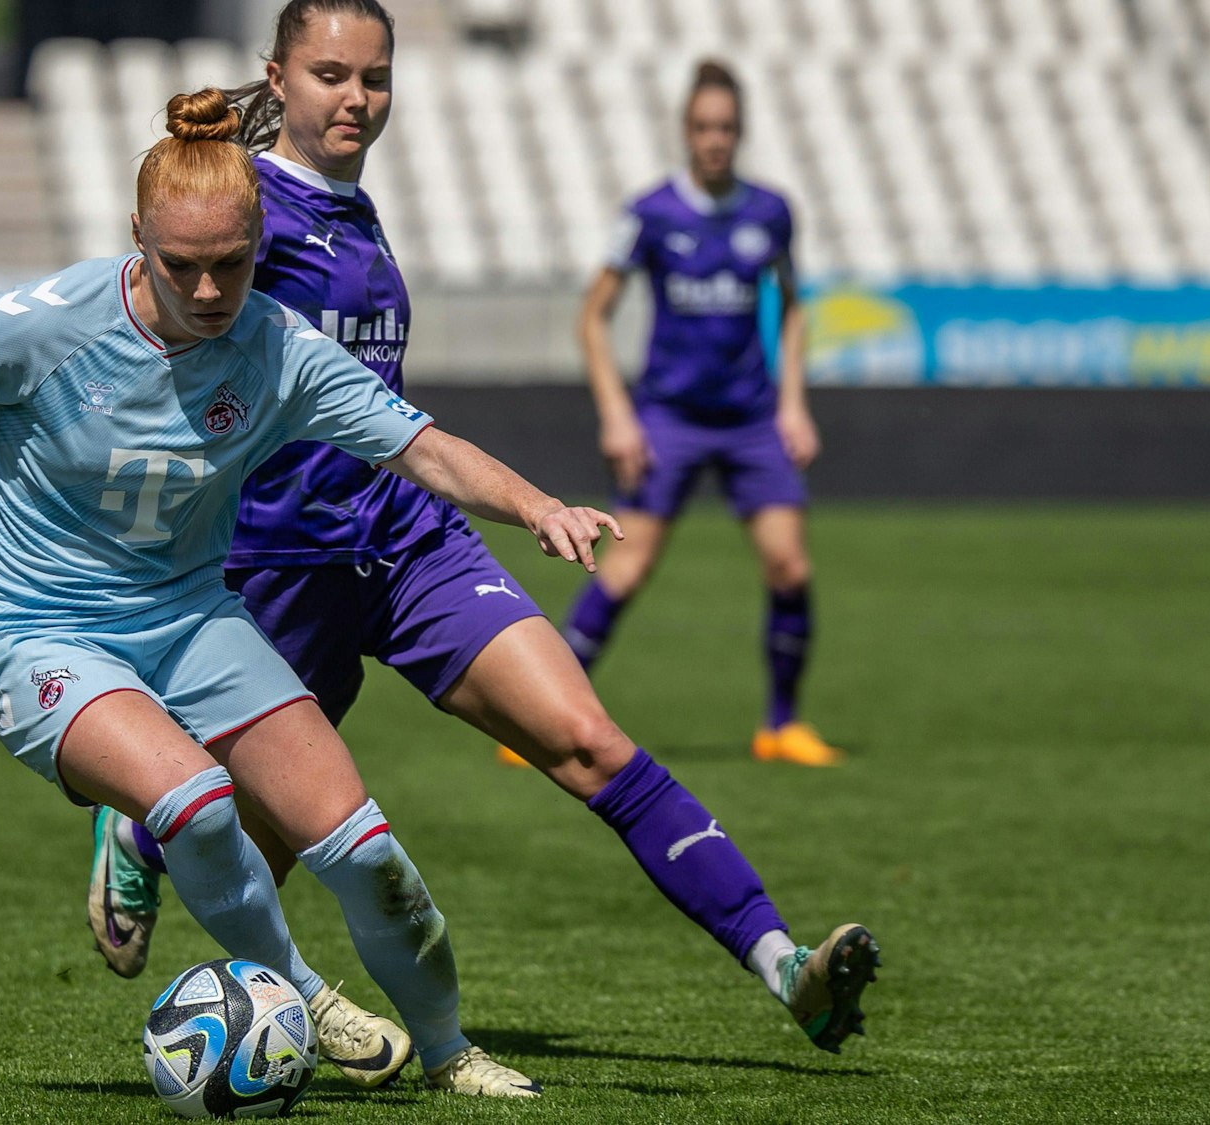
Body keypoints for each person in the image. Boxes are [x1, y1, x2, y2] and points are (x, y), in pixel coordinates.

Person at [0, 88, 605, 1098]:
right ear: (135, 238)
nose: (205, 291)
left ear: (259, 241)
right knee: (194, 806)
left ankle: (452, 1056)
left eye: (230, 266)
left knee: (362, 849)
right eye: (179, 266)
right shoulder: (39, 325)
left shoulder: (280, 349)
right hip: (29, 632)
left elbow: (423, 448)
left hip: (192, 620)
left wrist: (534, 503)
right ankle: (302, 996)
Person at [81, 0, 881, 1065]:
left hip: (407, 542)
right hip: (277, 565)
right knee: (254, 843)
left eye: (373, 76)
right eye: (329, 75)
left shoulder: (351, 209)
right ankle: (139, 831)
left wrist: (532, 505)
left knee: (587, 741)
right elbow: (146, 324)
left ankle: (787, 970)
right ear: (276, 78)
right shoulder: (246, 211)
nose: (355, 97)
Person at [564, 59, 842, 768]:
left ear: (740, 132)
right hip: (669, 417)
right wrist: (617, 415)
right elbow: (593, 318)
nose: (714, 139)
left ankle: (781, 724)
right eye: (702, 127)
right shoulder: (651, 213)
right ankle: (554, 719)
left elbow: (796, 308)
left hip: (751, 418)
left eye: (726, 127)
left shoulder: (770, 212)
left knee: (789, 565)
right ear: (685, 131)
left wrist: (792, 403)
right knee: (625, 571)